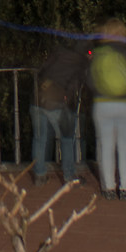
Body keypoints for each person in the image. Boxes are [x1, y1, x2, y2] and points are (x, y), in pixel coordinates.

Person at [89, 18, 126, 200]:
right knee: (125, 146)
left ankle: (108, 188)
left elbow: (90, 80)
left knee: (105, 147)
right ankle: (125, 188)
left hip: (103, 104)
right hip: (125, 104)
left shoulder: (98, 53)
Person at [30, 37, 86, 184]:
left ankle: (39, 175)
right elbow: (73, 86)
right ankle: (69, 175)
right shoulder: (80, 63)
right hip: (56, 102)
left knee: (39, 139)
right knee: (67, 139)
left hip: (37, 100)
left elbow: (41, 71)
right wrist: (67, 99)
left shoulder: (57, 52)